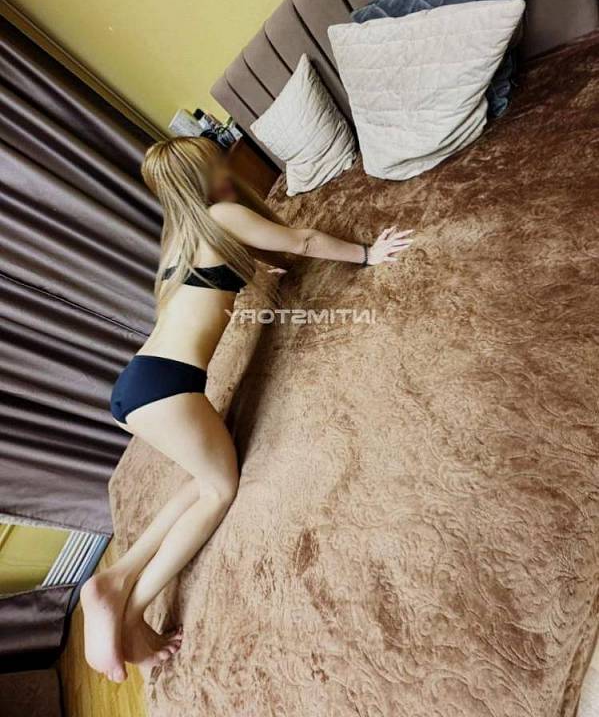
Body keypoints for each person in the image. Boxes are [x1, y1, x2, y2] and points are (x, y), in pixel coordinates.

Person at [80, 137, 414, 682]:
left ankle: (113, 581)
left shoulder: (178, 241)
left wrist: (255, 275)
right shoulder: (223, 214)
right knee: (220, 489)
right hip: (166, 388)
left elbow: (206, 287)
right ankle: (132, 608)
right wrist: (367, 254)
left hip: (138, 385)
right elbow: (304, 238)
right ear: (205, 173)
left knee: (202, 479)